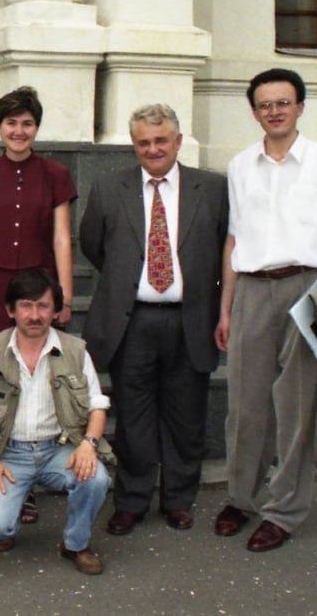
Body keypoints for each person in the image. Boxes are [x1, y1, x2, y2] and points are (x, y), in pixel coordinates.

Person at [213, 68, 317, 552]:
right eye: (265, 104)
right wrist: (225, 309)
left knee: (296, 408)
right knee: (244, 405)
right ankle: (241, 497)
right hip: (253, 293)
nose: (274, 110)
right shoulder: (240, 167)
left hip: (309, 291)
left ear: (300, 107)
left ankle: (283, 510)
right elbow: (235, 240)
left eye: (284, 102)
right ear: (255, 111)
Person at [79, 104, 228, 537]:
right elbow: (94, 245)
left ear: (178, 142)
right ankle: (131, 501)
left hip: (190, 319)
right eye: (144, 142)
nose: (153, 149)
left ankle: (179, 499)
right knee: (134, 418)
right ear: (134, 145)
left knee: (186, 416)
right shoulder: (110, 188)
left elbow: (225, 247)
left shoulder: (213, 189)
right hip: (132, 320)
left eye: (161, 141)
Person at [0, 267, 112, 575]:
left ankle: (76, 544)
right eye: (26, 305)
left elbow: (98, 404)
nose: (34, 315)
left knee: (97, 478)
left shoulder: (75, 351)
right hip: (8, 453)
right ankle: (6, 522)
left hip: (58, 449)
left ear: (55, 311)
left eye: (43, 306)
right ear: (10, 310)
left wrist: (89, 445)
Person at [0, 85, 77, 523]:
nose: (19, 131)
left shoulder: (55, 174)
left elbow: (62, 236)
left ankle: (27, 480)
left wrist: (62, 293)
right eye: (11, 123)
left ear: (37, 127)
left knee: (34, 378)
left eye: (27, 123)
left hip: (37, 288)